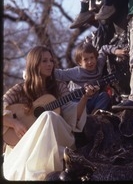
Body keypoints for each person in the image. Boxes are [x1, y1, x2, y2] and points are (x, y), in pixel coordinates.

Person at [2, 45, 97, 181]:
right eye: (44, 61)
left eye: (51, 61)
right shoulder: (20, 89)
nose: (50, 64)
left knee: (48, 115)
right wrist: (15, 123)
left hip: (59, 136)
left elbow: (72, 113)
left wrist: (85, 97)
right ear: (34, 63)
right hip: (27, 141)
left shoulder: (59, 86)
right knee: (47, 116)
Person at [54, 41, 129, 114]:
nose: (90, 62)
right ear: (80, 62)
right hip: (78, 101)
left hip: (93, 100)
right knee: (76, 106)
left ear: (96, 57)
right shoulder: (77, 72)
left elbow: (104, 49)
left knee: (105, 96)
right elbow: (60, 74)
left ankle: (95, 115)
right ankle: (84, 118)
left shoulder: (99, 64)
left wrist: (116, 51)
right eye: (85, 59)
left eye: (92, 57)